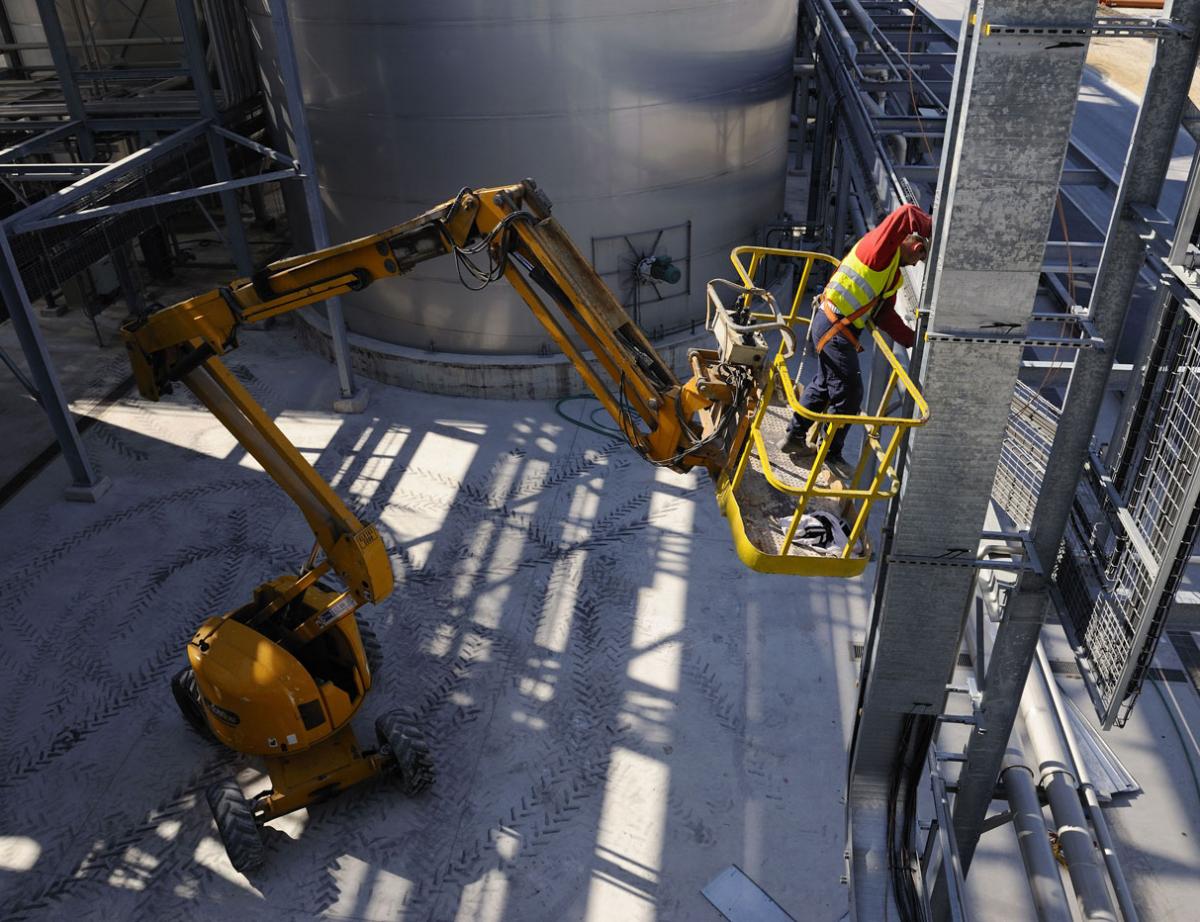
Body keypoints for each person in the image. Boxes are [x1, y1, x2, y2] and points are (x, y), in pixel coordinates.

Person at [778, 203, 932, 464]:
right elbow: (906, 214)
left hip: (831, 325)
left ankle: (794, 435)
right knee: (850, 395)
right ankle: (831, 454)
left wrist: (912, 340)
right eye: (919, 257)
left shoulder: (890, 272)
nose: (916, 264)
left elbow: (883, 314)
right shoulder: (878, 251)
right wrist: (936, 230)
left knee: (824, 385)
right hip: (835, 327)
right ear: (915, 245)